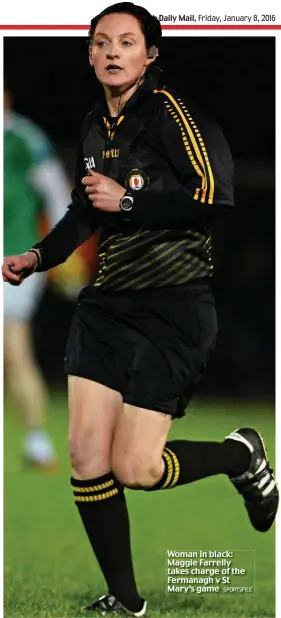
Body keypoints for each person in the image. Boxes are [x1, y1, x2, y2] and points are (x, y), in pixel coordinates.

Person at [2, 3, 278, 615]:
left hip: (173, 307)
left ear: (150, 55)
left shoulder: (175, 116)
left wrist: (129, 203)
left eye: (127, 42)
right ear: (90, 54)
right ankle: (126, 602)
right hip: (106, 308)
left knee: (136, 467)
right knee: (84, 455)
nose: (111, 52)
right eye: (101, 42)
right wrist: (37, 256)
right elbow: (83, 210)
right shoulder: (93, 126)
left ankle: (242, 454)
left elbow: (213, 197)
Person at [3, 83, 71, 468]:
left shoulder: (23, 138)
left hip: (12, 258)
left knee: (14, 349)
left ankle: (37, 441)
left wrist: (52, 252)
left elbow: (58, 194)